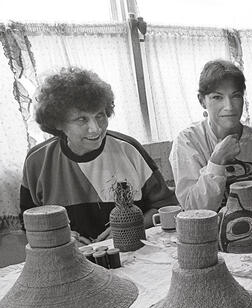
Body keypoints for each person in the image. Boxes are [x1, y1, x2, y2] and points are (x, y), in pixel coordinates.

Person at [20, 66, 177, 242]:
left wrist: (133, 225)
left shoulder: (129, 149)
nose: (95, 129)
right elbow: (29, 223)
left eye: (100, 116)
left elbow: (166, 206)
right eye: (82, 119)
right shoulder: (37, 160)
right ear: (58, 123)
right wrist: (58, 236)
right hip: (69, 258)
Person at [169, 60, 252, 222]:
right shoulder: (187, 142)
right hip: (207, 240)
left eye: (235, 96)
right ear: (202, 101)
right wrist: (216, 162)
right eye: (217, 97)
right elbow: (194, 212)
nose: (229, 107)